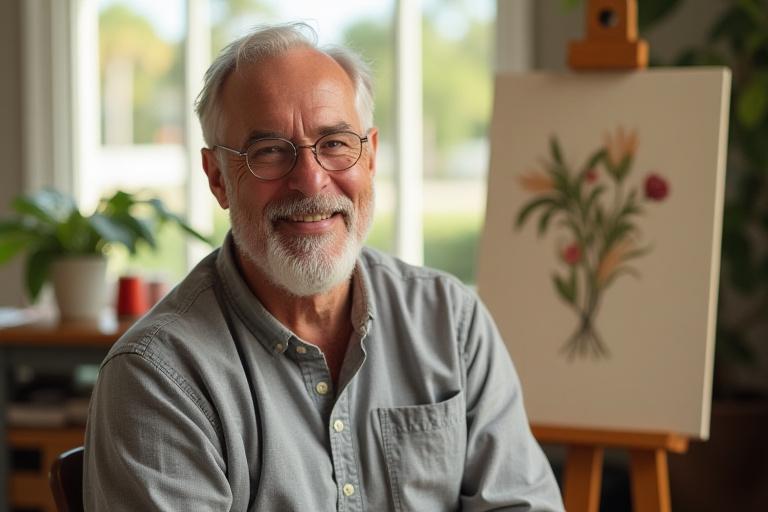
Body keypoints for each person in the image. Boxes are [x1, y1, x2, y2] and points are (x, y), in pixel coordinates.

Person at [83, 22, 564, 511]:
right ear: (218, 178)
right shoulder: (157, 377)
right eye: (269, 151)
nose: (310, 182)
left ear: (370, 156)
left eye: (335, 144)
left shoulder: (450, 322)